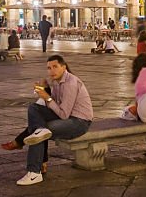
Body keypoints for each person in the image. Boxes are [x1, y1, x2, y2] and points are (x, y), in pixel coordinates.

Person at [8, 55, 93, 186]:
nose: (51, 71)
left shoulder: (70, 83)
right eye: (49, 68)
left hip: (79, 122)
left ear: (64, 67)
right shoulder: (57, 82)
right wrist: (46, 90)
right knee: (34, 109)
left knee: (38, 131)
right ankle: (39, 164)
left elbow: (63, 114)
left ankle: (34, 172)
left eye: (55, 67)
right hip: (67, 117)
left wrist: (47, 97)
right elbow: (54, 105)